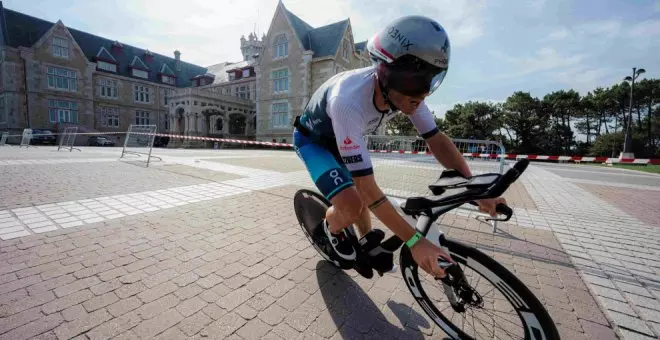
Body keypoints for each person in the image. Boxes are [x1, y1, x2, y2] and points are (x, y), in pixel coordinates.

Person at [292, 15, 505, 278]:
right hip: (314, 141)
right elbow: (368, 190)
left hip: (341, 137)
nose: (422, 94)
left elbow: (437, 140)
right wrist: (415, 242)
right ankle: (330, 229)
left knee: (361, 199)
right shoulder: (348, 101)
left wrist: (475, 188)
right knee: (352, 203)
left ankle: (366, 239)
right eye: (416, 83)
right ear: (386, 73)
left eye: (430, 80)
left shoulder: (406, 95)